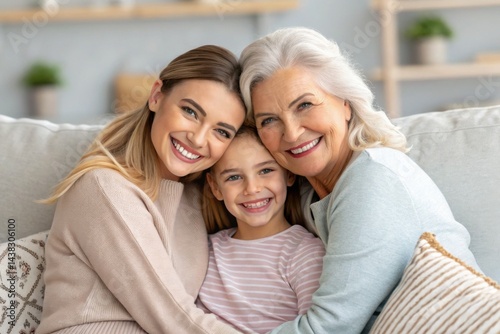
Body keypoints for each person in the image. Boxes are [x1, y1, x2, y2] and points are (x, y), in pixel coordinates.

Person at [239, 27, 481, 334]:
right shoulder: (307, 193)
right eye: (269, 120)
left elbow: (330, 327)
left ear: (345, 103)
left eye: (304, 105)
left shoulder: (372, 179)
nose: (292, 132)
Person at [37, 45, 247, 334]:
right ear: (157, 95)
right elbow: (175, 319)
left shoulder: (197, 197)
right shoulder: (104, 189)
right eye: (190, 111)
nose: (199, 139)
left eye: (221, 131)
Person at [196, 125, 325, 334]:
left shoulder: (305, 253)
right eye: (234, 177)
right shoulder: (204, 249)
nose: (252, 188)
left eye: (266, 171)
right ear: (215, 187)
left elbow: (317, 327)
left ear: (289, 174)